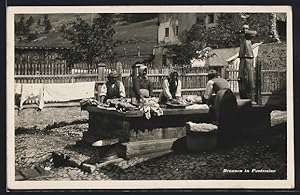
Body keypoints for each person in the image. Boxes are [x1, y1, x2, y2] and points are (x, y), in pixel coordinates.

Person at [203, 69, 239, 147]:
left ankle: (222, 141)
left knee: (220, 117)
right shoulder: (224, 80)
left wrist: (206, 101)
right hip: (231, 96)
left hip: (221, 96)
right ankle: (233, 140)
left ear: (209, 77)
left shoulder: (211, 82)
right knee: (231, 117)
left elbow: (207, 95)